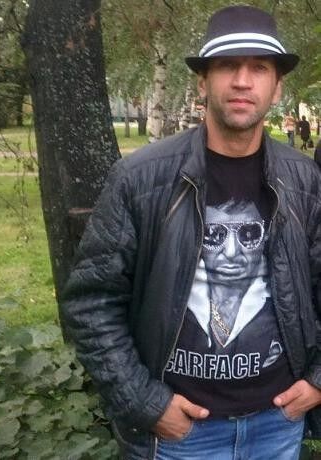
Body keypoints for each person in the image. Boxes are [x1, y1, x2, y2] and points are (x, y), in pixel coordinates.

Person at [62, 5, 321, 460]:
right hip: (181, 436)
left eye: (259, 68)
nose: (242, 81)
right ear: (203, 81)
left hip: (277, 424)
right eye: (227, 66)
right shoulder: (142, 179)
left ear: (278, 87)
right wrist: (146, 403)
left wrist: (318, 380)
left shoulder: (304, 180)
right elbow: (92, 302)